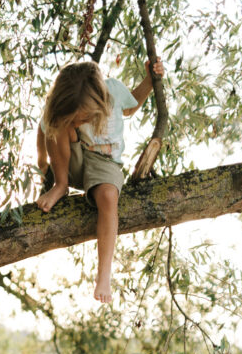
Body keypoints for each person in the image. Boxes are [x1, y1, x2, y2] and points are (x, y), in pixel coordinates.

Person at [36, 58, 165, 304]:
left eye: (81, 119)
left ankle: (104, 274)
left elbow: (131, 106)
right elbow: (44, 128)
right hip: (74, 162)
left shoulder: (113, 91)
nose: (78, 123)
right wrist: (43, 163)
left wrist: (150, 79)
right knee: (57, 123)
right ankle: (60, 185)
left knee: (108, 198)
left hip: (106, 164)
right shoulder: (68, 110)